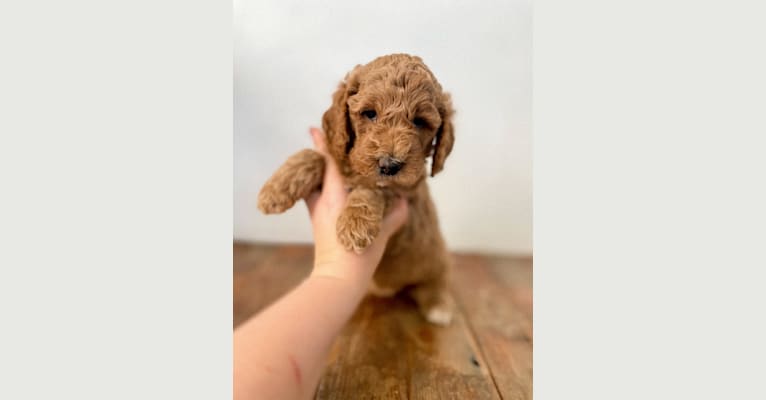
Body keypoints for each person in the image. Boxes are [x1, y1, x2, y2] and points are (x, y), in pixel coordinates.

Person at [233, 127, 409, 400]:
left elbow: (396, 194)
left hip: (411, 276)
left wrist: (367, 200)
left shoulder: (401, 175)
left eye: (419, 122)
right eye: (370, 114)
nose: (392, 149)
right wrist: (307, 166)